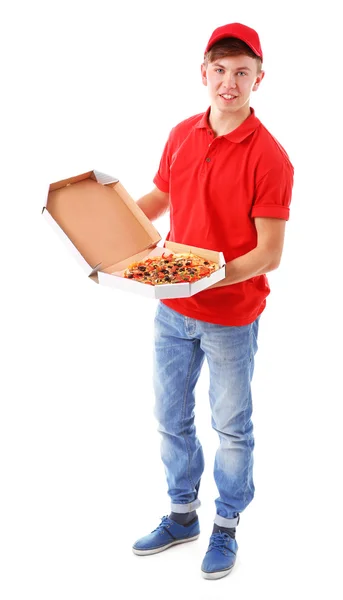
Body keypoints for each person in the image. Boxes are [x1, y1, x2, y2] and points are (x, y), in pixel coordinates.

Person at [132, 22, 294, 580]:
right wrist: (109, 222)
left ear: (259, 78)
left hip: (230, 317)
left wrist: (207, 278)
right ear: (203, 73)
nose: (229, 82)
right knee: (170, 418)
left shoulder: (271, 158)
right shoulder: (181, 134)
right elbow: (158, 197)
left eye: (241, 72)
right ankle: (182, 515)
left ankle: (225, 524)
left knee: (231, 427)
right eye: (219, 70)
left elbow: (269, 253)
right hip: (171, 308)